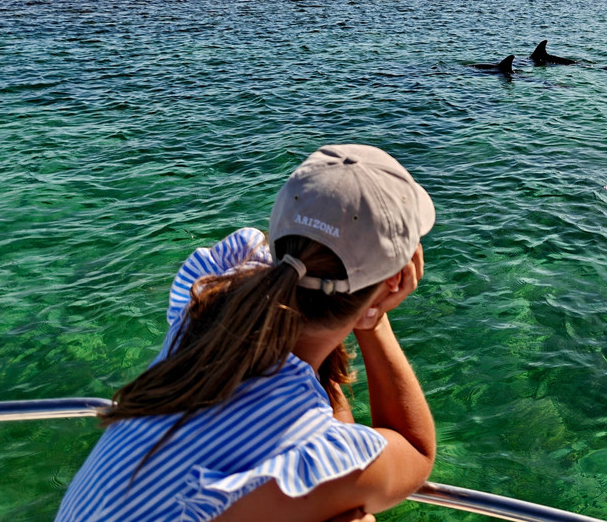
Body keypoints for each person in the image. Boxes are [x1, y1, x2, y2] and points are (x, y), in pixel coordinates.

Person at [55, 144, 436, 522]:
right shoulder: (305, 452)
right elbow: (415, 452)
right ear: (395, 281)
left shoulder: (201, 310)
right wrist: (372, 318)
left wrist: (365, 301)